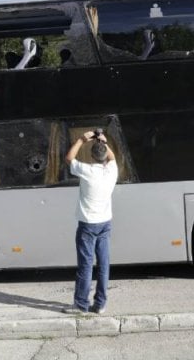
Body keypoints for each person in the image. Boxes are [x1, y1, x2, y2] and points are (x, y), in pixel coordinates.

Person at [62, 129, 117, 315]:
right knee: (103, 265)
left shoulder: (86, 171)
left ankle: (80, 305)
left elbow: (69, 158)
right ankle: (100, 304)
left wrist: (81, 139)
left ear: (92, 156)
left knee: (86, 266)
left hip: (88, 225)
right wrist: (104, 142)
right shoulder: (112, 170)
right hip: (105, 223)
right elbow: (112, 158)